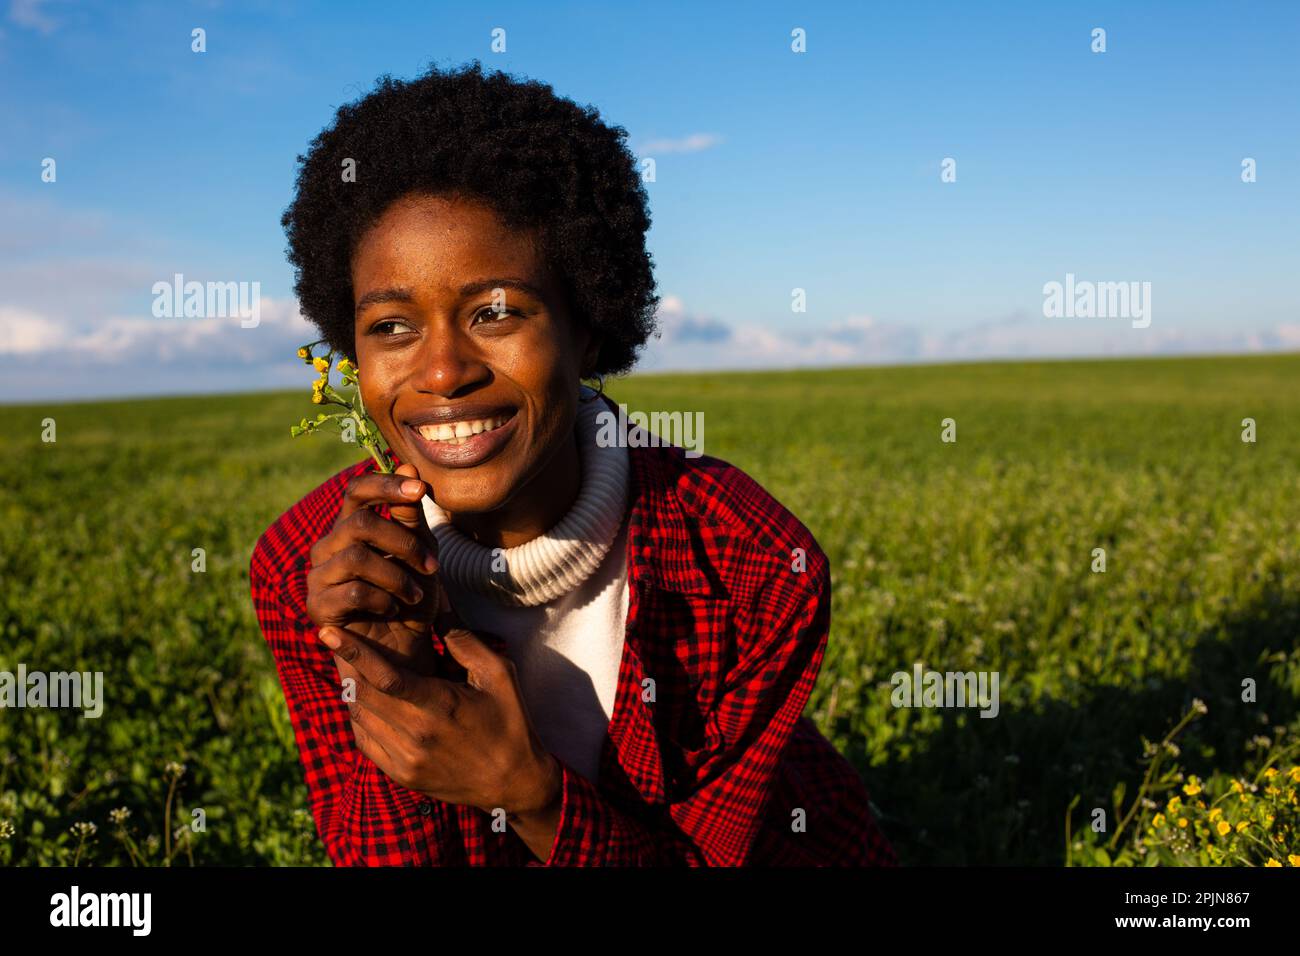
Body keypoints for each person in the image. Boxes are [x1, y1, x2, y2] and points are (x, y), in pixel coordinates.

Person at [250, 60, 896, 866]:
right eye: (391, 326)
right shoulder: (311, 575)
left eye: (496, 312)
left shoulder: (754, 564)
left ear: (586, 324)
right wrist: (386, 673)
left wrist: (534, 797)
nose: (443, 371)